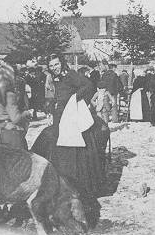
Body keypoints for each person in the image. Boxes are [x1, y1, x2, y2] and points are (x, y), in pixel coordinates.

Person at [41, 54, 106, 198]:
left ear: (62, 63)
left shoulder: (70, 75)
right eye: (51, 66)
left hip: (71, 117)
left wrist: (75, 98)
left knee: (74, 149)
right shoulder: (55, 78)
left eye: (56, 64)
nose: (54, 68)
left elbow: (88, 85)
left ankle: (78, 184)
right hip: (60, 117)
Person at [0, 52, 32, 149]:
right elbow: (21, 106)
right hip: (11, 133)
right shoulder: (17, 82)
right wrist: (27, 114)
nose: (24, 67)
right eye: (21, 64)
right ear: (14, 65)